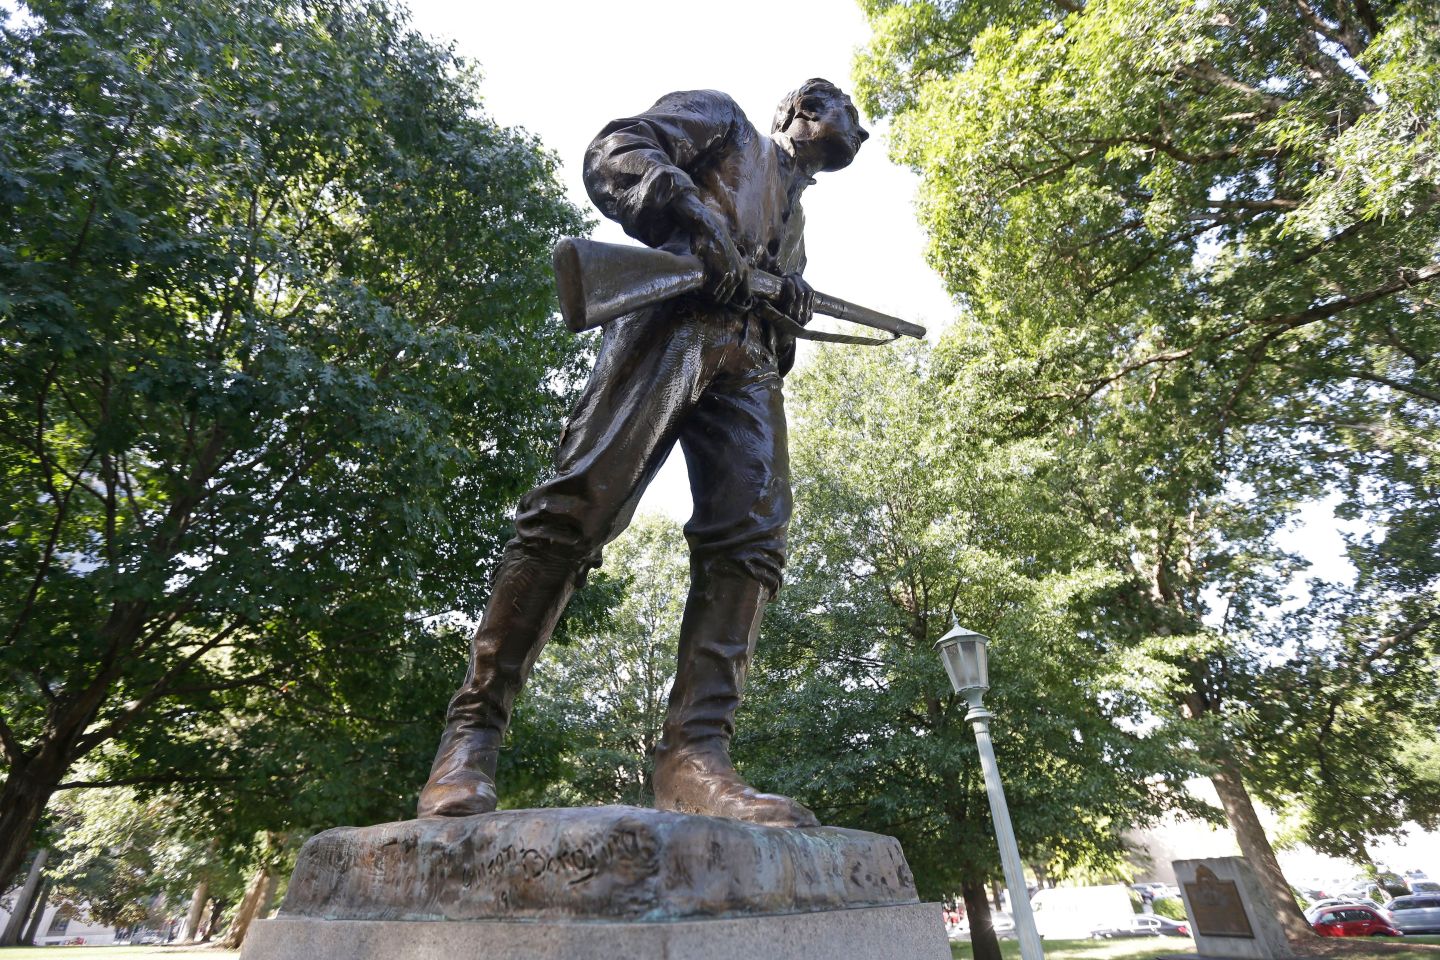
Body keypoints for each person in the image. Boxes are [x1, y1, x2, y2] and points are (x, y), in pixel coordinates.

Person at [417, 78, 870, 828]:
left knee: (753, 543)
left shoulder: (797, 213)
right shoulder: (724, 121)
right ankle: (471, 736)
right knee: (573, 510)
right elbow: (616, 150)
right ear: (806, 112)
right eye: (854, 114)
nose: (865, 132)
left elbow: (779, 318)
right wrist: (691, 209)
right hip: (669, 325)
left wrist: (790, 298)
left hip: (748, 357)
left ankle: (696, 756)